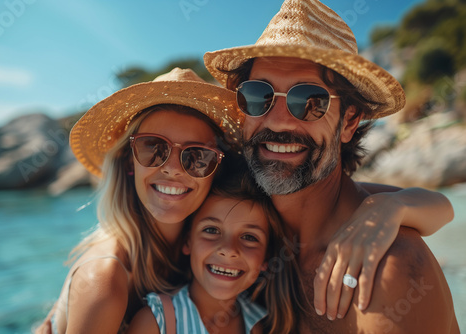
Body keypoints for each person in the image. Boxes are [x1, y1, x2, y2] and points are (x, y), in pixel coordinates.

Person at [34, 67, 453, 334]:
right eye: (152, 149)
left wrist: (394, 207)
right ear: (128, 160)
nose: (174, 169)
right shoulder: (105, 277)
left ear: (216, 167)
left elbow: (427, 203)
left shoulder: (227, 217)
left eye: (196, 156)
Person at [204, 0, 459, 332]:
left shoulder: (386, 272)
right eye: (257, 95)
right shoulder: (234, 222)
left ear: (350, 120)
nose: (279, 122)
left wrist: (394, 205)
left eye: (309, 102)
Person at [127, 164, 288, 333]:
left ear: (266, 257)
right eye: (211, 230)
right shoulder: (156, 322)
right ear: (188, 241)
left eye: (249, 237)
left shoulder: (259, 325)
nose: (228, 250)